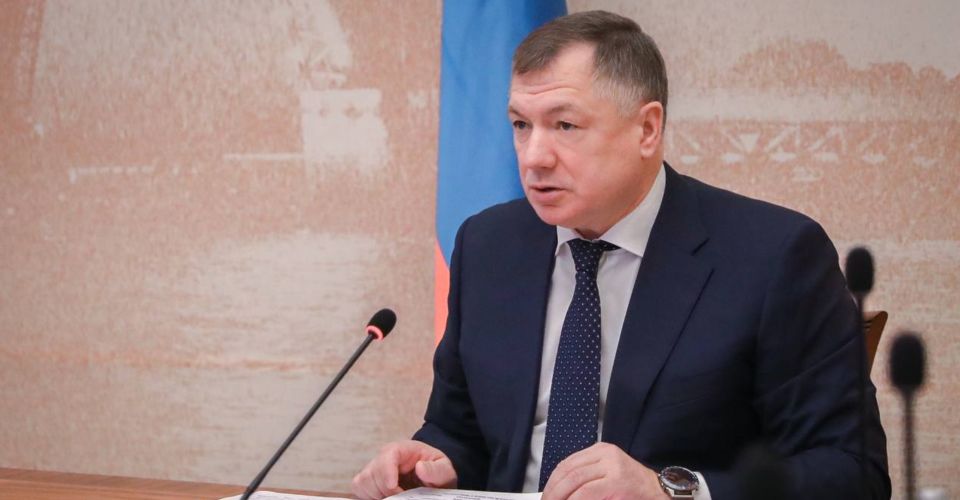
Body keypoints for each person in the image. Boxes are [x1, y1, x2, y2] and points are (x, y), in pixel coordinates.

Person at [352, 10, 889, 500]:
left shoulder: (773, 257)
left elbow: (851, 472)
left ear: (647, 129)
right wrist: (433, 462)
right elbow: (461, 431)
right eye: (521, 124)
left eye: (565, 125)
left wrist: (671, 490)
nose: (534, 157)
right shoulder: (488, 246)